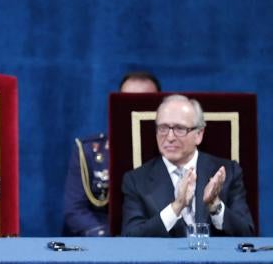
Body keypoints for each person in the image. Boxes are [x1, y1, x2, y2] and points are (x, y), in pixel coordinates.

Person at [121, 94, 254, 237]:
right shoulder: (136, 180)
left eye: (179, 129)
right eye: (163, 128)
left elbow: (247, 233)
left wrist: (215, 206)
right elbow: (130, 237)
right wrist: (176, 207)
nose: (170, 137)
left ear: (199, 134)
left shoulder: (228, 172)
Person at [63, 71, 160, 236]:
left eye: (143, 102)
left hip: (155, 240)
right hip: (103, 243)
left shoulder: (170, 152)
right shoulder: (89, 152)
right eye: (128, 102)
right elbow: (75, 211)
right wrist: (113, 240)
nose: (134, 110)